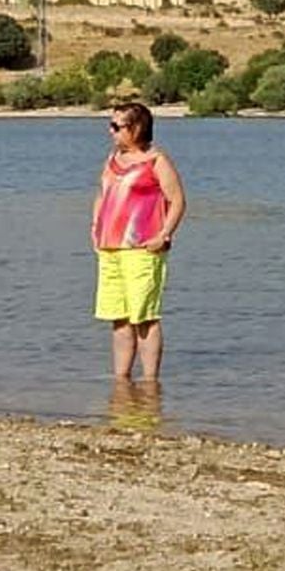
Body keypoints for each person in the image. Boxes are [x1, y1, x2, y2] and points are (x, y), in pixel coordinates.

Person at [92, 102, 186, 381]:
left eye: (116, 126)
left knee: (144, 317)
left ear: (136, 128)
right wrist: (95, 227)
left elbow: (177, 200)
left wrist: (164, 234)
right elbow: (102, 194)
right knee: (119, 318)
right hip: (110, 248)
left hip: (142, 249)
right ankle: (121, 381)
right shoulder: (113, 159)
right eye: (111, 125)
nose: (111, 131)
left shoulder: (156, 160)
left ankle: (150, 383)